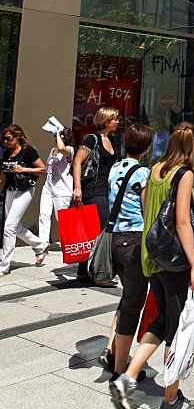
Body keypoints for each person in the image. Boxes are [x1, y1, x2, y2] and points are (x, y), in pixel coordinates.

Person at [110, 123, 194, 409]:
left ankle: (128, 376)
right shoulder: (183, 174)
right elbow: (182, 222)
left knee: (162, 320)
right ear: (191, 148)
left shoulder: (156, 169)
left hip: (152, 256)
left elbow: (148, 207)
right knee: (177, 332)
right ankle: (171, 401)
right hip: (174, 260)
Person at [99, 122, 153, 381]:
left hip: (115, 238)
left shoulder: (115, 167)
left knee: (127, 298)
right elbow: (146, 209)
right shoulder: (143, 173)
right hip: (134, 240)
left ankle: (112, 349)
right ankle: (120, 370)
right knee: (133, 304)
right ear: (146, 147)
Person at [71, 106, 119, 283]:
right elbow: (77, 162)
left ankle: (83, 271)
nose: (117, 122)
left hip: (105, 189)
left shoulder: (110, 139)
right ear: (106, 121)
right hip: (93, 189)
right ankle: (100, 272)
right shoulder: (92, 139)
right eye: (114, 119)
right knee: (105, 229)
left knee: (91, 231)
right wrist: (77, 188)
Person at [0, 125, 48, 276]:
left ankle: (4, 265)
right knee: (15, 227)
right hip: (10, 191)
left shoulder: (28, 151)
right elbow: (4, 175)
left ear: (17, 137)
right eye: (4, 139)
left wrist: (23, 169)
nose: (5, 141)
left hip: (25, 191)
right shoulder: (7, 153)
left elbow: (43, 169)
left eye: (8, 138)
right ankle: (41, 246)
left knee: (9, 227)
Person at [38, 126, 74, 248]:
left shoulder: (69, 150)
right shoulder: (53, 150)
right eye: (55, 136)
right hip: (48, 187)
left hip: (63, 190)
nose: (56, 138)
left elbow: (61, 148)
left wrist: (58, 133)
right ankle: (42, 245)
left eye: (59, 136)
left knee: (62, 220)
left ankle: (68, 245)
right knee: (43, 216)